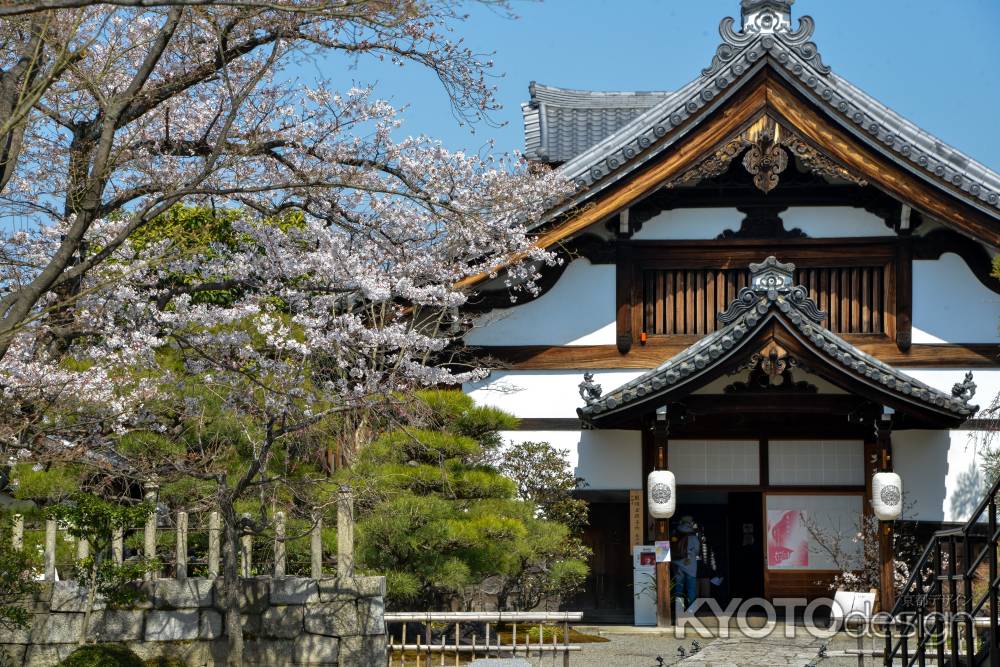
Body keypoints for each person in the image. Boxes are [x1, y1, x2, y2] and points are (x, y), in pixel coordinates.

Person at [673, 515, 700, 610]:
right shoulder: (693, 536)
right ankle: (691, 611)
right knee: (691, 589)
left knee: (679, 588)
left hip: (677, 564)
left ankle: (678, 610)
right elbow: (697, 551)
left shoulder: (675, 532)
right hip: (690, 565)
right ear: (690, 523)